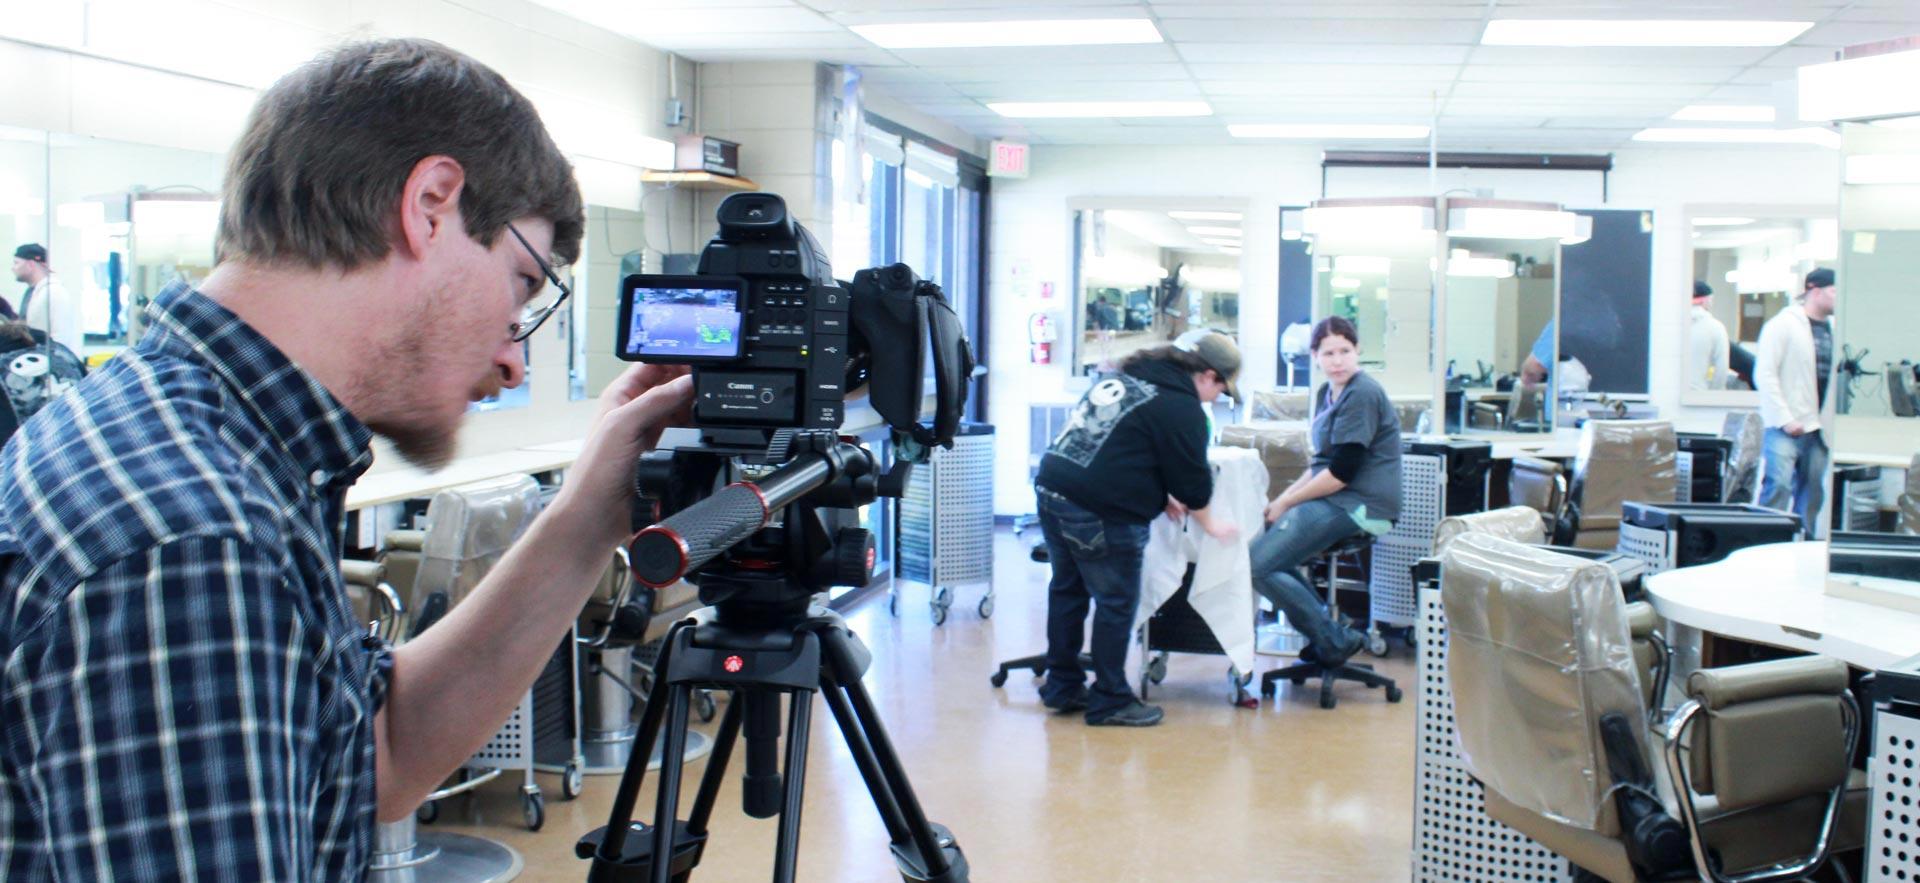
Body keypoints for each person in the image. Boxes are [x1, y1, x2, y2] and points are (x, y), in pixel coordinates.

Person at [0, 40, 696, 879]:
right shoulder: (194, 539)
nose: (514, 358)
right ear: (430, 205)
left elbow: (376, 754)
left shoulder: (199, 446)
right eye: (521, 284)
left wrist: (591, 511)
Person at [1033, 332, 1241, 726]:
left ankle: (1061, 685)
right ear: (1209, 375)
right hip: (1100, 508)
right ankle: (1110, 699)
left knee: (1068, 591)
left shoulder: (1128, 379)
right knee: (1116, 603)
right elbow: (1193, 484)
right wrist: (1211, 524)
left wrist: (1160, 494)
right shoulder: (1182, 408)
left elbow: (1117, 445)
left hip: (1052, 487)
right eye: (1222, 389)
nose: (1219, 397)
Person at [1249, 317, 1401, 668]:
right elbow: (1320, 465)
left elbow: (1340, 475)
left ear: (1357, 350)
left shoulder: (1362, 393)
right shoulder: (1326, 394)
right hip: (1338, 497)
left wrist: (1287, 501)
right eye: (1329, 353)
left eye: (1345, 351)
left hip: (1363, 505)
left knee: (1258, 565)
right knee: (1271, 556)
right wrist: (1280, 500)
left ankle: (1332, 638)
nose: (1338, 360)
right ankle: (1332, 632)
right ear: (1314, 355)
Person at [1755, 267, 1840, 533]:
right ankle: (1765, 541)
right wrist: (1785, 418)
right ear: (1814, 290)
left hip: (1819, 428)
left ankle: (1804, 541)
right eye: (1834, 291)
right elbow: (1765, 374)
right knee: (1777, 486)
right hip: (1785, 426)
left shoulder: (1835, 330)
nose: (1839, 298)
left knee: (1813, 490)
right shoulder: (1783, 325)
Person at [10, 243, 83, 355]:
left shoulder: (54, 292)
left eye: (16, 263)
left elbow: (61, 337)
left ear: (30, 264)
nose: (13, 268)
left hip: (53, 364)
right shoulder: (33, 292)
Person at [1688, 280, 1732, 391]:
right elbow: (1721, 369)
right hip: (1699, 392)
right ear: (1707, 301)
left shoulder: (1672, 325)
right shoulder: (1716, 327)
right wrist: (1714, 394)